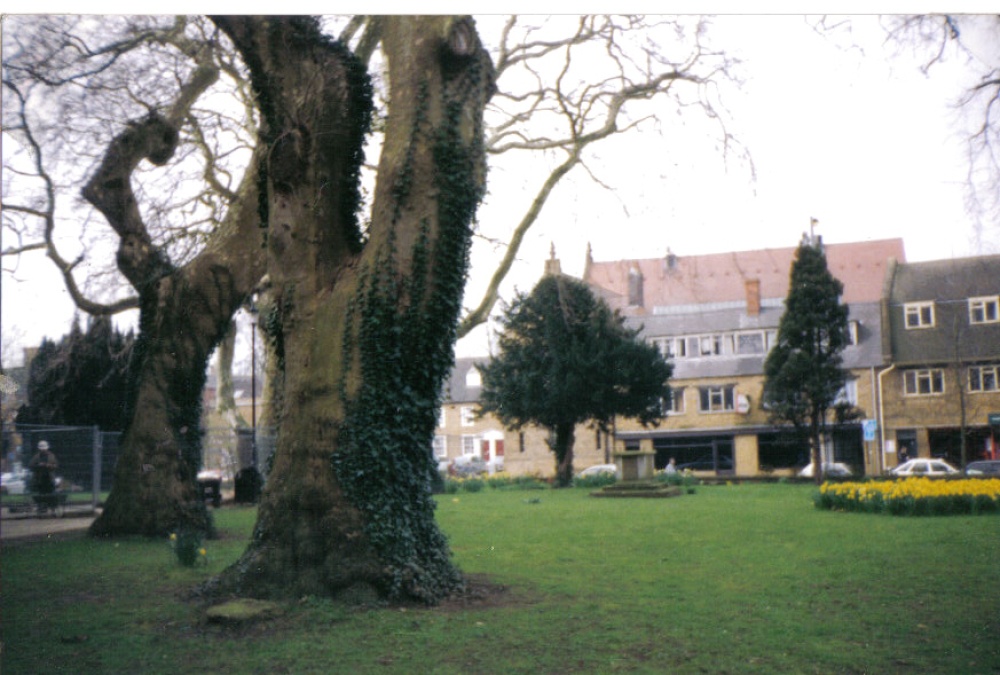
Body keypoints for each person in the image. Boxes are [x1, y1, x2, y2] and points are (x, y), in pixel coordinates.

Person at [29, 440, 59, 511]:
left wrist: (48, 465)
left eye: (44, 449)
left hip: (49, 478)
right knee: (41, 494)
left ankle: (52, 507)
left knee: (51, 493)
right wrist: (38, 466)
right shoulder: (36, 457)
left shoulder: (51, 456)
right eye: (42, 449)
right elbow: (31, 466)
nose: (43, 450)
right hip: (40, 479)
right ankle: (43, 508)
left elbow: (56, 465)